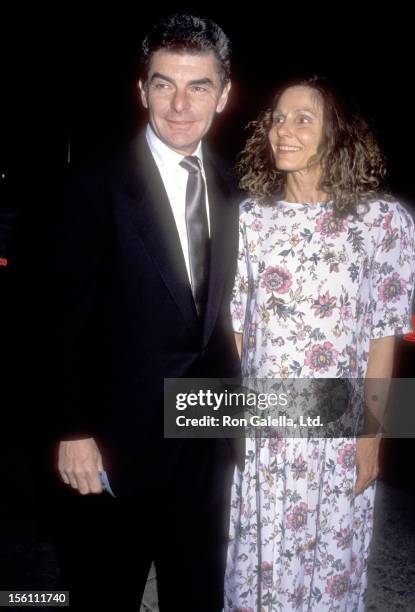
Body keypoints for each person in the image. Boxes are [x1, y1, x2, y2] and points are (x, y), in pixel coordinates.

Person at [54, 12, 240, 611]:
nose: (180, 104)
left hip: (205, 442)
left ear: (225, 92)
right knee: (104, 593)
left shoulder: (237, 187)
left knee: (195, 596)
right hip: (115, 447)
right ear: (143, 89)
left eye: (199, 86)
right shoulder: (90, 183)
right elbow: (54, 318)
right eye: (165, 84)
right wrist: (72, 429)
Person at [224, 77, 415, 610]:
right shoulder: (248, 222)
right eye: (277, 119)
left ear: (338, 134)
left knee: (329, 567)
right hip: (266, 432)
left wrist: (372, 438)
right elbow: (237, 331)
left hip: (337, 433)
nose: (283, 130)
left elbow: (384, 337)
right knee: (257, 568)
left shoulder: (382, 224)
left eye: (302, 118)